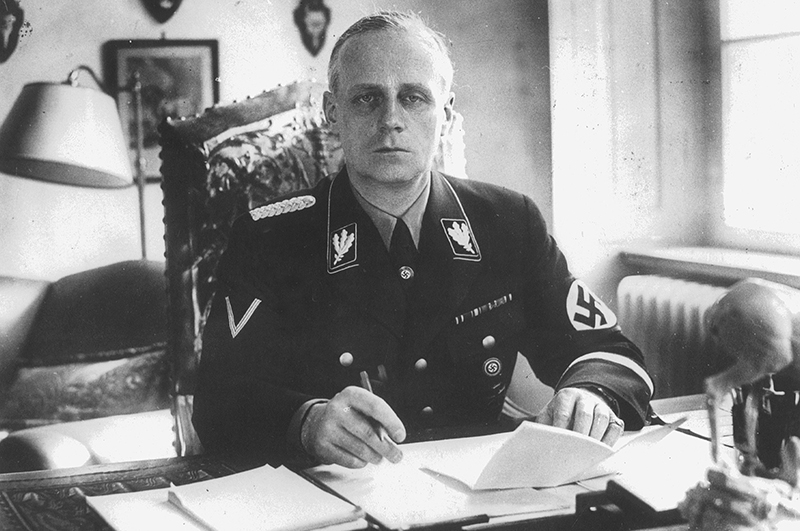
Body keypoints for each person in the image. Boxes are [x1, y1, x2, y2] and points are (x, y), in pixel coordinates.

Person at [193, 10, 654, 468]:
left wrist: (590, 393)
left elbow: (607, 351)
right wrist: (306, 421)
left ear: (446, 113)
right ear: (333, 113)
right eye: (367, 99)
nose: (391, 119)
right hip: (336, 494)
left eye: (413, 98)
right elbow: (217, 401)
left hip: (477, 488)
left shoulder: (508, 222)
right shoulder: (270, 237)